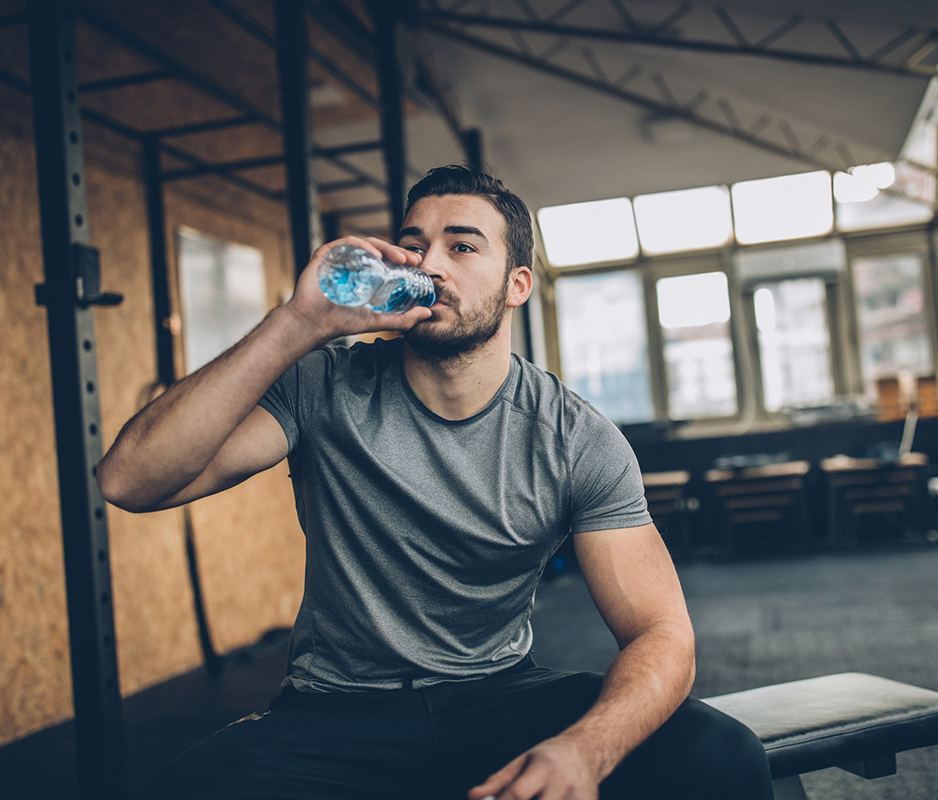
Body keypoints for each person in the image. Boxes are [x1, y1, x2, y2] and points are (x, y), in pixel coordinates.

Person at [98, 165, 773, 800]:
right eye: (415, 245)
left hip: (496, 697)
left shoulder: (574, 438)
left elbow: (663, 635)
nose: (430, 264)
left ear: (516, 285)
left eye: (463, 247)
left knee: (721, 756)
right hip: (336, 711)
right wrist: (298, 323)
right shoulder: (325, 385)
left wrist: (584, 752)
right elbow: (131, 479)